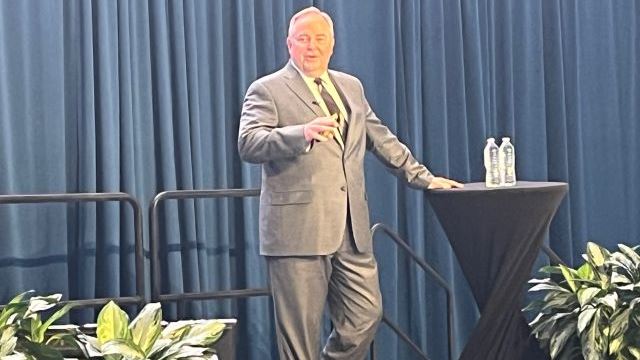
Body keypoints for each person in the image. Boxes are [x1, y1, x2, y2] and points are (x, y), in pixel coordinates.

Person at [238, 6, 463, 360]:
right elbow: (249, 143)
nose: (311, 46)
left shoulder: (350, 87)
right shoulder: (268, 89)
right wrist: (300, 134)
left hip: (351, 227)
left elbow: (380, 138)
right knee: (300, 337)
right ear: (289, 44)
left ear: (332, 44)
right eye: (303, 39)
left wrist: (424, 178)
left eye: (319, 39)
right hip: (298, 229)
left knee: (366, 315)